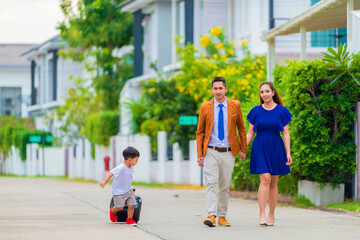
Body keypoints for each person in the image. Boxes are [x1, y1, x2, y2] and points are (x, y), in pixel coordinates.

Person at [196, 76, 247, 227]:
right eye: (215, 88)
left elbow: (241, 129)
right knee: (211, 183)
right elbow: (200, 132)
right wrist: (200, 154)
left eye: (220, 88)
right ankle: (211, 214)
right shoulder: (205, 106)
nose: (218, 91)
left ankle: (222, 216)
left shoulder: (235, 105)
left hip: (229, 151)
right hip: (210, 151)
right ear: (211, 90)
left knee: (224, 185)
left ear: (226, 89)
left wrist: (243, 149)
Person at [246, 81, 292, 226]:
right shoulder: (255, 111)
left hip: (276, 146)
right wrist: (242, 147)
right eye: (262, 92)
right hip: (259, 145)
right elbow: (250, 132)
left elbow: (285, 133)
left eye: (267, 91)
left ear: (273, 92)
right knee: (265, 179)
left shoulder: (282, 111)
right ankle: (262, 214)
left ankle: (271, 214)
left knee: (273, 182)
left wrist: (288, 152)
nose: (264, 94)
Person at [100, 146, 140, 226]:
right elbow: (111, 173)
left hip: (128, 190)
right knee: (120, 207)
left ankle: (129, 219)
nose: (137, 162)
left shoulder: (131, 167)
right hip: (119, 192)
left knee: (131, 205)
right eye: (136, 160)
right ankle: (112, 211)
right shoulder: (121, 167)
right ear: (129, 159)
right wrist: (105, 181)